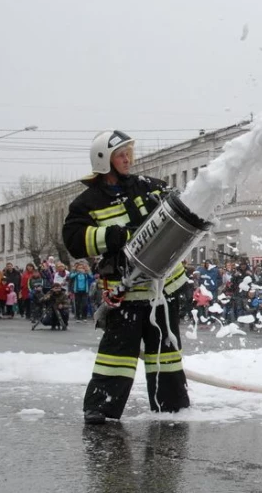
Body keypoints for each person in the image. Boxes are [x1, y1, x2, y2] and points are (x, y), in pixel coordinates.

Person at [62, 130, 190, 425]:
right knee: (116, 354)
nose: (128, 160)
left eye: (129, 154)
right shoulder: (87, 202)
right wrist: (114, 236)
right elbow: (73, 239)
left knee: (166, 352)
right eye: (121, 155)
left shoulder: (150, 186)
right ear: (104, 161)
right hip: (125, 291)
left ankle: (171, 406)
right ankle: (101, 406)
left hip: (162, 288)